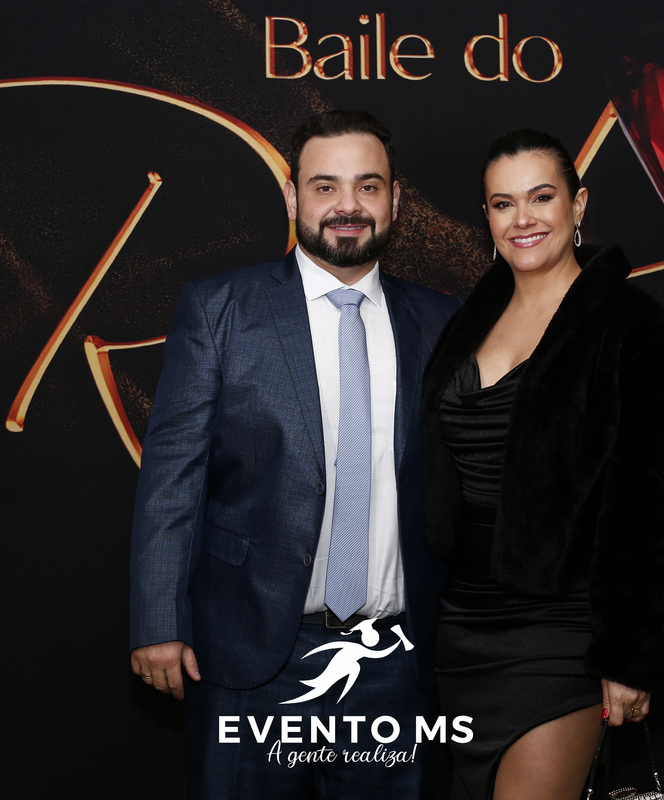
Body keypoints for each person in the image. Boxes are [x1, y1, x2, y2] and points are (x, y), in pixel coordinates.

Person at [129, 109, 461, 800]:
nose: (348, 206)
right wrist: (159, 621)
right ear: (292, 197)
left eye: (368, 186)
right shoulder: (219, 309)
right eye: (325, 186)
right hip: (247, 658)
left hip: (395, 666)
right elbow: (172, 479)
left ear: (396, 200)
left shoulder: (442, 322)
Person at [421, 129, 664, 800]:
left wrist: (628, 654)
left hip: (565, 629)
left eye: (541, 197)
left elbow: (648, 505)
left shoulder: (631, 323)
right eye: (503, 203)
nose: (523, 218)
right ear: (487, 217)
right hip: (462, 627)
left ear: (579, 204)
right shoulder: (467, 321)